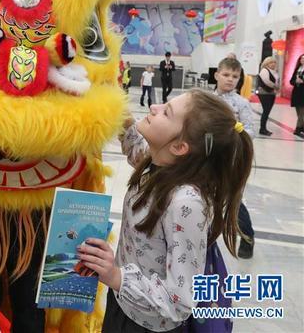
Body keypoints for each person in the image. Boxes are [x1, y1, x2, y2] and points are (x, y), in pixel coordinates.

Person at [77, 89, 253, 332]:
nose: (154, 107)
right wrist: (123, 118)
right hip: (124, 302)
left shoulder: (186, 203)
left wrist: (116, 276)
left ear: (179, 147)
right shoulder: (160, 163)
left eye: (166, 112)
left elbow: (179, 302)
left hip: (148, 323)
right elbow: (137, 149)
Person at [213, 57, 256, 258]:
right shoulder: (206, 99)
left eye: (235, 76)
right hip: (206, 156)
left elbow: (250, 131)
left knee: (232, 199)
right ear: (217, 75)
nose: (230, 79)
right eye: (226, 74)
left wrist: (236, 134)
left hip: (231, 159)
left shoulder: (241, 103)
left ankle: (247, 237)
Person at [257, 56, 280, 136]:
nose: (273, 64)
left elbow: (276, 81)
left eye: (274, 62)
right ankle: (262, 129)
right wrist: (275, 86)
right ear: (266, 63)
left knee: (267, 111)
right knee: (266, 110)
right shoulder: (264, 70)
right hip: (264, 93)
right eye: (271, 62)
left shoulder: (274, 71)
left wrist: (277, 87)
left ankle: (263, 128)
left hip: (271, 93)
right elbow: (267, 81)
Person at [289, 54, 304, 138]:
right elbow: (291, 81)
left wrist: (302, 81)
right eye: (301, 58)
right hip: (296, 93)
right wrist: (296, 81)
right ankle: (302, 128)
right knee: (298, 112)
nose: (303, 60)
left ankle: (298, 129)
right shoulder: (297, 69)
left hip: (303, 93)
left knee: (302, 113)